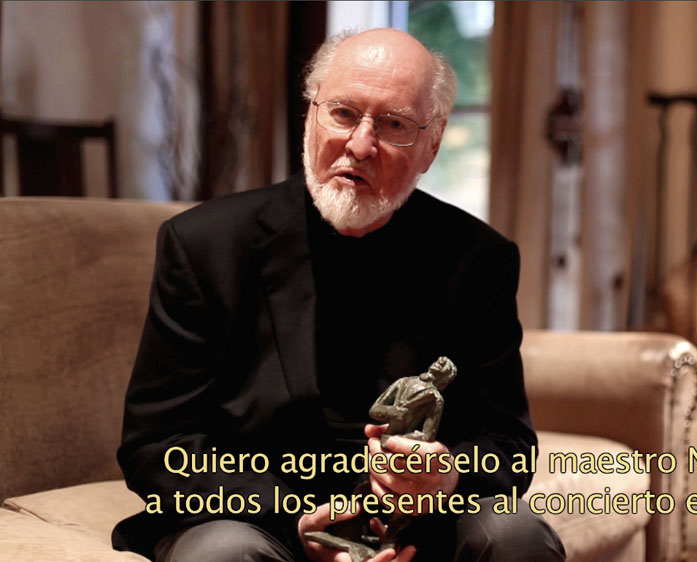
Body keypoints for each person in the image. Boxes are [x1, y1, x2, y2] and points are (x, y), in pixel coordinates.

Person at [112, 28, 565, 562]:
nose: (360, 145)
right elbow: (156, 445)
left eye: (394, 125)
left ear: (432, 145)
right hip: (261, 519)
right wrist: (297, 521)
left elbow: (508, 444)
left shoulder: (479, 260)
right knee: (220, 554)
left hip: (422, 526)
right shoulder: (205, 246)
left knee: (515, 535)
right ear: (310, 117)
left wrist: (448, 478)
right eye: (344, 113)